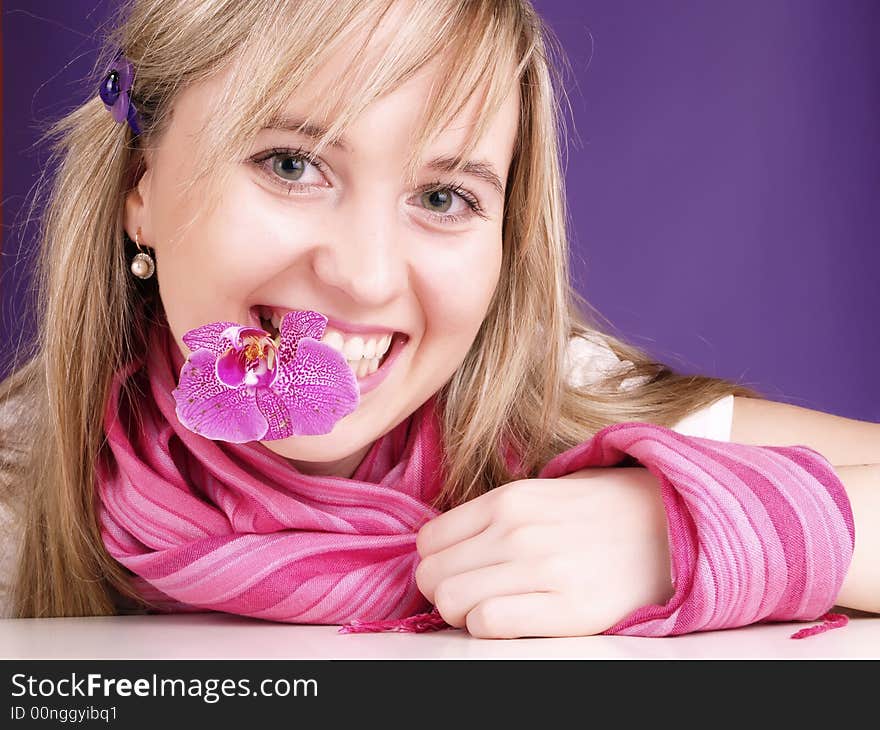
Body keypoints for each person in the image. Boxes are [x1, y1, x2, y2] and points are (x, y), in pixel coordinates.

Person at [0, 0, 876, 637]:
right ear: (138, 190)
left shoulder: (556, 406)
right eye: (292, 163)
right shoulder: (23, 473)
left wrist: (672, 529)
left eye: (444, 194)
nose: (367, 277)